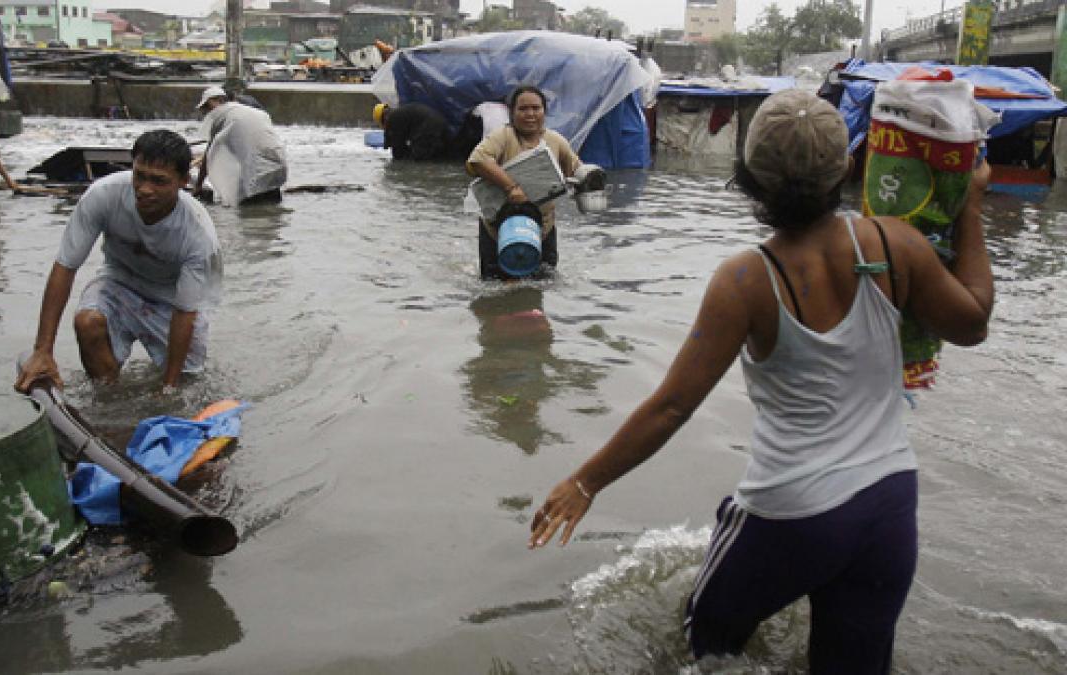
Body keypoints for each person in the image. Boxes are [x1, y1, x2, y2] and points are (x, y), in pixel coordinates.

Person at [527, 90, 994, 672]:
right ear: (847, 169)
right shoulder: (895, 243)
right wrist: (970, 205)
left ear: (748, 181)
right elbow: (973, 322)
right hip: (888, 505)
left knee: (703, 646)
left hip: (791, 513)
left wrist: (585, 482)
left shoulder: (746, 280)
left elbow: (672, 408)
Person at [14, 129, 223, 393]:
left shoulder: (197, 234)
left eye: (159, 181)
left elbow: (185, 311)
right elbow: (65, 267)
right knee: (87, 322)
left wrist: (167, 390)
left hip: (173, 299)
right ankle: (108, 399)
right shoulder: (104, 195)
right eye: (140, 176)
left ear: (183, 181)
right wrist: (43, 351)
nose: (145, 189)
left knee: (186, 382)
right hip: (120, 281)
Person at [466, 85, 582, 280]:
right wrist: (511, 187)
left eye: (536, 108)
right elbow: (478, 160)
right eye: (523, 109)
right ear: (512, 113)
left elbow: (576, 169)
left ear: (544, 111)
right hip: (498, 226)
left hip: (542, 227)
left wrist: (589, 181)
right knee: (494, 286)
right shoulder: (502, 136)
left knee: (543, 283)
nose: (530, 114)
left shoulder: (555, 140)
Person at [195, 86, 288, 204]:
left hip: (256, 172)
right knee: (272, 211)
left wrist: (198, 185)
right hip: (277, 165)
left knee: (249, 214)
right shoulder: (252, 111)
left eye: (207, 106)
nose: (207, 111)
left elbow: (209, 156)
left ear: (220, 100)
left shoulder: (221, 115)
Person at [373, 101, 451, 161]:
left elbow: (397, 149)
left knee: (419, 160)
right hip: (442, 124)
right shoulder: (402, 112)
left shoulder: (393, 118)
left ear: (384, 119)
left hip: (428, 129)